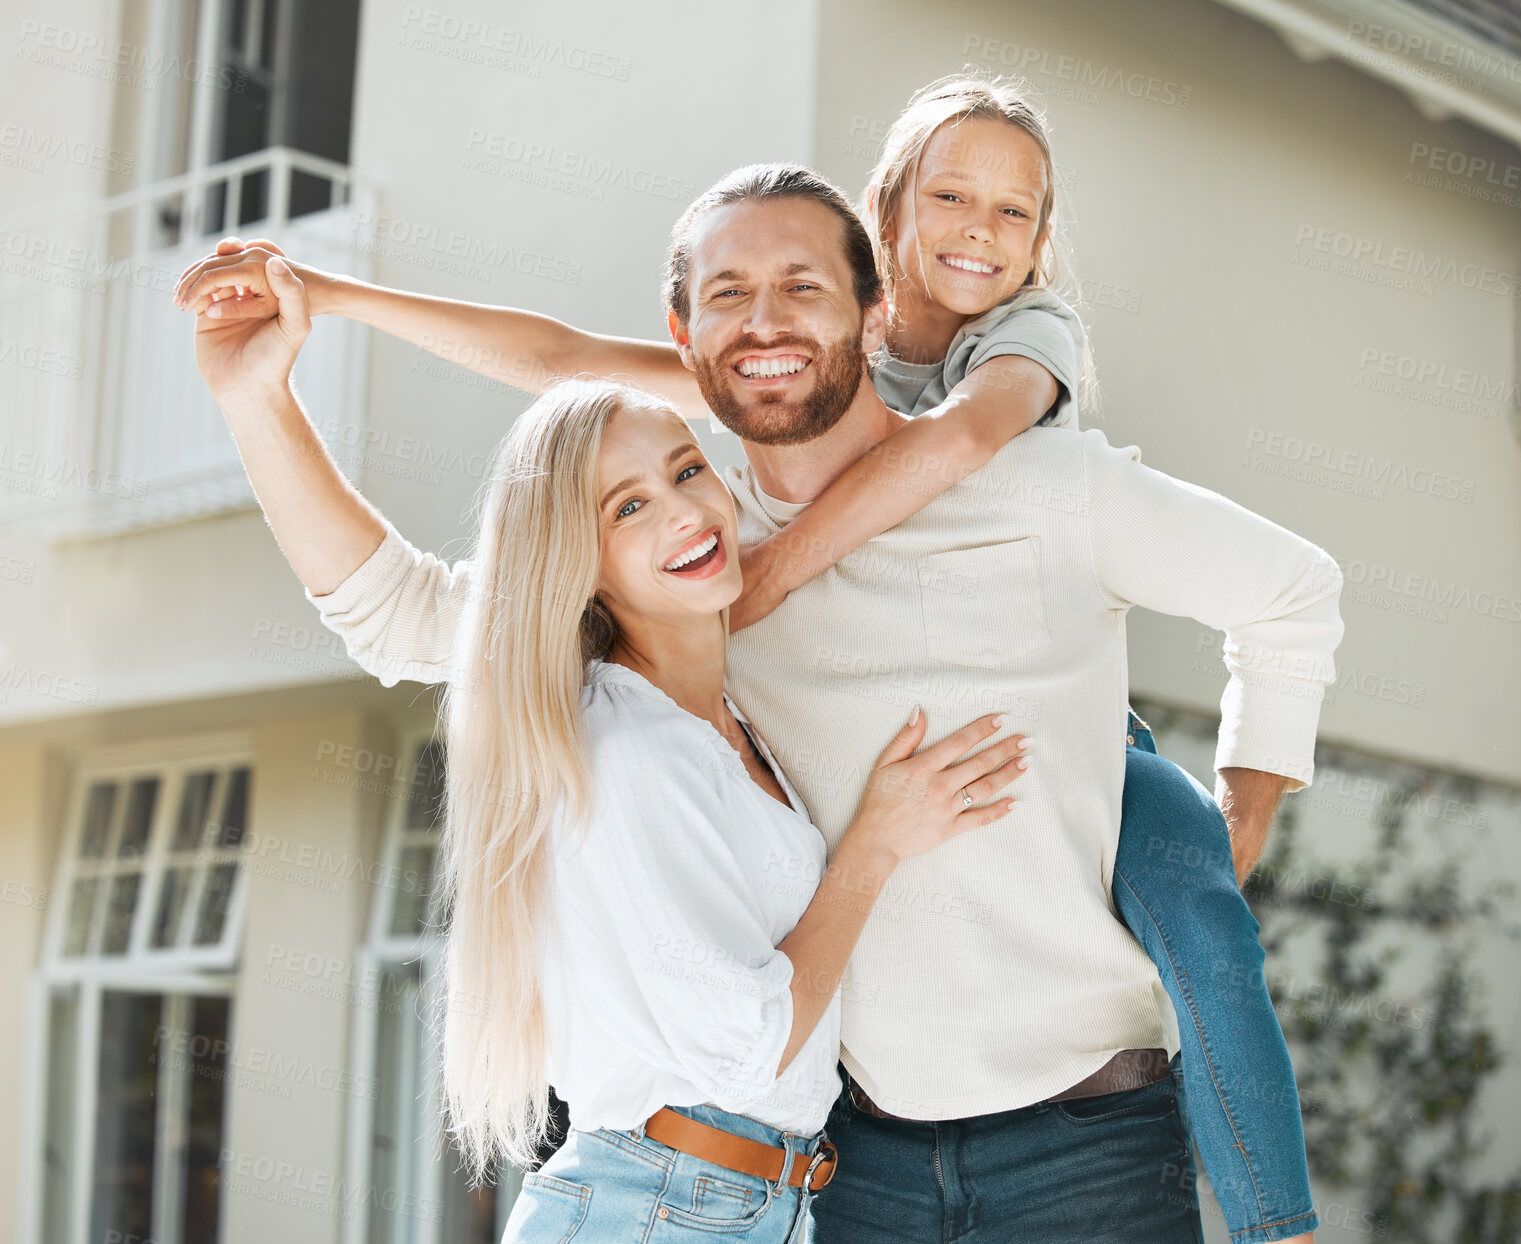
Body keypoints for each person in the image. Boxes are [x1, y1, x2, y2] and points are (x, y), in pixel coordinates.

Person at [177, 158, 1342, 1241]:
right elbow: (398, 610)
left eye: (801, 283)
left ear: (873, 310)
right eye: (729, 292)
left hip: (1085, 1140)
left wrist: (1236, 823)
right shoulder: (690, 565)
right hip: (849, 1159)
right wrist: (259, 399)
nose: (768, 320)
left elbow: (1294, 593)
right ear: (685, 339)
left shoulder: (1035, 485)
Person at [187, 277, 1037, 1238]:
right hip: (666, 1207)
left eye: (684, 471)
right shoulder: (627, 745)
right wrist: (874, 846)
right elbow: (749, 1048)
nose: (681, 513)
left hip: (744, 1204)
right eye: (625, 508)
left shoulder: (725, 708)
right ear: (574, 560)